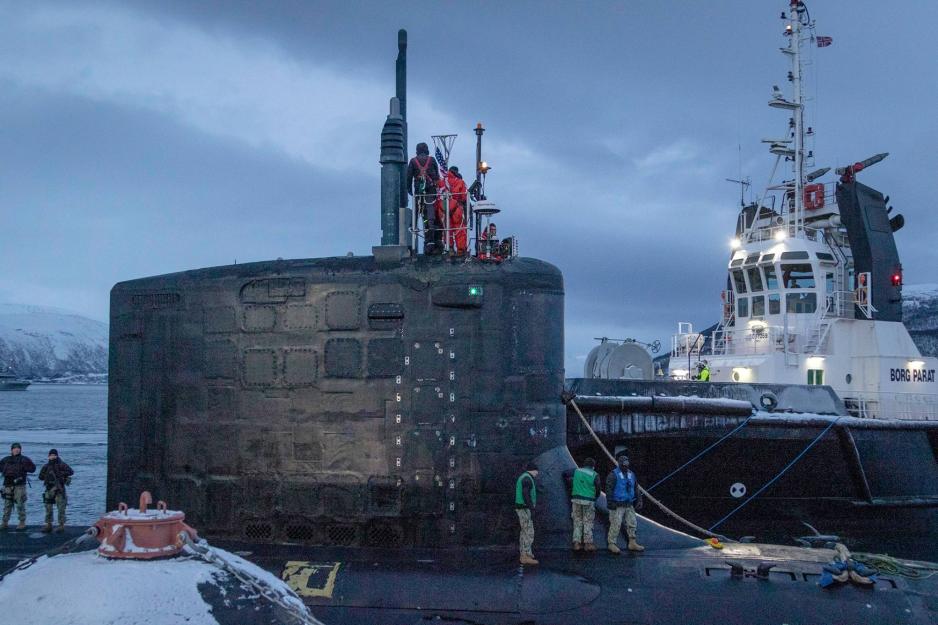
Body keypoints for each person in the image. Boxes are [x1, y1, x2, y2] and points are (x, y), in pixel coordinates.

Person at [405, 142, 442, 254]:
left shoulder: (413, 161)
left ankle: (414, 226)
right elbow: (437, 177)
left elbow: (408, 177)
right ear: (426, 150)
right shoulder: (432, 160)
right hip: (430, 194)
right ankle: (430, 238)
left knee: (416, 213)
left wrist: (409, 190)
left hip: (418, 194)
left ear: (417, 150)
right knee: (429, 216)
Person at [606, 454, 644, 553]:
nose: (625, 466)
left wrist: (639, 499)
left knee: (632, 523)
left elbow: (636, 487)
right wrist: (610, 503)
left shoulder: (631, 474)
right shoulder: (613, 475)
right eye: (623, 463)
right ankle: (612, 543)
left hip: (629, 503)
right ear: (619, 463)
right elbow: (609, 489)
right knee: (616, 523)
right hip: (617, 504)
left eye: (627, 463)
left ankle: (632, 542)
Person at [563, 457, 601, 552]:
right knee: (587, 521)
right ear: (593, 466)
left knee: (577, 521)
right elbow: (598, 488)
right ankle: (588, 544)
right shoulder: (594, 474)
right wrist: (595, 497)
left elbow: (565, 473)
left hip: (576, 499)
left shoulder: (576, 471)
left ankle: (576, 543)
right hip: (588, 500)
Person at [1, 442, 36, 530]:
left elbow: (33, 469)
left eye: (18, 448)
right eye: (14, 448)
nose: (16, 450)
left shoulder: (24, 459)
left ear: (20, 449)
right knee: (7, 504)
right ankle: (4, 522)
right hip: (8, 484)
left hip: (19, 485)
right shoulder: (6, 459)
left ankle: (22, 522)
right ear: (11, 450)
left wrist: (25, 468)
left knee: (20, 504)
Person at [38, 448, 74, 533]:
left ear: (57, 456)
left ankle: (61, 525)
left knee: (61, 507)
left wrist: (61, 474)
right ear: (48, 456)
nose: (52, 457)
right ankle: (48, 525)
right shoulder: (46, 466)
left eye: (54, 455)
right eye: (51, 455)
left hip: (59, 488)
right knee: (48, 508)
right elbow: (40, 477)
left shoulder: (62, 464)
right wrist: (47, 475)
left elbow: (71, 471)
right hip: (49, 488)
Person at [435, 166, 468, 254]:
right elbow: (464, 197)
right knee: (459, 229)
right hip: (456, 207)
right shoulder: (460, 182)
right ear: (456, 172)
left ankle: (449, 248)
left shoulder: (441, 182)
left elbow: (437, 194)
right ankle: (461, 250)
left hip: (442, 208)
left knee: (446, 229)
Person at [514, 462, 539, 565]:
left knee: (524, 531)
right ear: (533, 470)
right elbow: (526, 494)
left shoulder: (523, 477)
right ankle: (525, 556)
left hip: (521, 508)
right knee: (528, 532)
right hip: (524, 508)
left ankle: (524, 553)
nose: (538, 473)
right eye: (537, 471)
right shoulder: (527, 479)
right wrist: (531, 508)